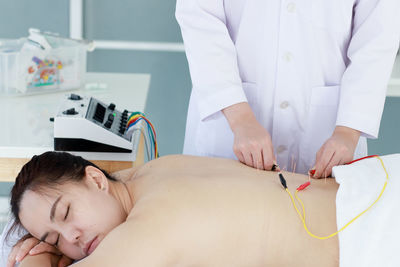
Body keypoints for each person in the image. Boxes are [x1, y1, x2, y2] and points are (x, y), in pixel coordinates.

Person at [175, 0, 400, 177]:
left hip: (329, 130)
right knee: (218, 229)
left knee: (317, 230)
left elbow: (377, 38)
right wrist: (240, 117)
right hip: (229, 120)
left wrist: (348, 131)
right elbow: (199, 16)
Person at [4, 151, 340, 267]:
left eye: (65, 214)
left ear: (95, 179)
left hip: (372, 241)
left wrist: (34, 257)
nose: (72, 238)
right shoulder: (156, 170)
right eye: (54, 238)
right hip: (366, 188)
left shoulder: (147, 230)